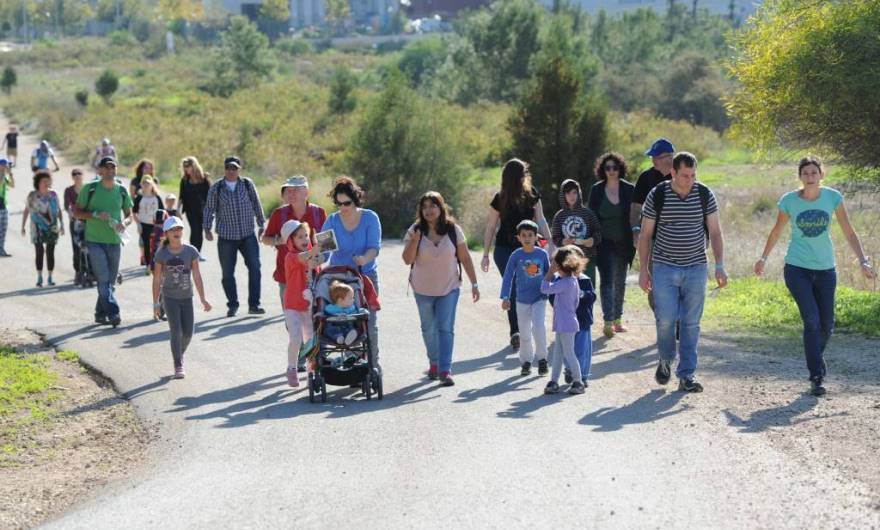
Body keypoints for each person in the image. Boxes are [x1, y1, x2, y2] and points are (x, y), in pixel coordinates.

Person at [754, 157, 876, 397]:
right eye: (806, 173)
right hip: (796, 268)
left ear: (821, 174)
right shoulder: (789, 201)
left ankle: (815, 359)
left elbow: (849, 231)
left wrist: (863, 260)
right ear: (800, 176)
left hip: (826, 269)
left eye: (814, 172)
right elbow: (777, 230)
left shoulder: (833, 198)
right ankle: (816, 376)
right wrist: (763, 258)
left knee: (827, 324)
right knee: (811, 320)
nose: (810, 176)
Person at [638, 152, 727, 393]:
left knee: (691, 323)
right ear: (673, 173)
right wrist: (644, 270)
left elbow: (716, 232)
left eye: (693, 175)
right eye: (684, 175)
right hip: (664, 267)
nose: (689, 180)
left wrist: (719, 264)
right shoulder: (657, 195)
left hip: (697, 267)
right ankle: (665, 360)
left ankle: (687, 374)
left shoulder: (704, 194)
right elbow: (645, 235)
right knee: (666, 320)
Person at [402, 191, 480, 387]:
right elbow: (407, 260)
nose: (429, 210)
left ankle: (445, 370)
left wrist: (474, 283)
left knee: (445, 329)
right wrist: (415, 240)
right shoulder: (414, 230)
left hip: (449, 287)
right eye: (425, 207)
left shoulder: (453, 230)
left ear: (441, 207)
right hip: (423, 289)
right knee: (428, 329)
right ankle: (434, 363)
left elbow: (465, 257)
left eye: (433, 206)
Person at [481, 158, 553, 352]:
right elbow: (491, 227)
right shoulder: (500, 198)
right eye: (521, 174)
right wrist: (486, 254)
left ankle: (526, 327)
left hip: (530, 249)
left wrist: (551, 242)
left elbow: (542, 220)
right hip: (505, 249)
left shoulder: (532, 195)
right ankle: (516, 332)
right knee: (513, 287)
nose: (524, 178)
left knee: (530, 286)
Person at [322, 176, 382, 367]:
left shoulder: (370, 218)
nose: (342, 208)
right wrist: (311, 258)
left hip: (365, 277)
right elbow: (323, 252)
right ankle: (351, 360)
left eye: (346, 203)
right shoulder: (332, 220)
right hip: (340, 279)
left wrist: (364, 259)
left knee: (367, 324)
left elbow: (374, 247)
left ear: (355, 199)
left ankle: (372, 364)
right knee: (341, 322)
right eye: (338, 203)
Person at [203, 156, 266, 317]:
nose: (231, 171)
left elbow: (256, 204)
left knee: (255, 267)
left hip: (247, 235)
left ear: (239, 169)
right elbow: (209, 208)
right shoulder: (217, 188)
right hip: (226, 237)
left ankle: (254, 304)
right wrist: (207, 228)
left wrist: (261, 224)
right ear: (224, 169)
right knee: (227, 273)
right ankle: (232, 305)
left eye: (235, 168)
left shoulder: (247, 184)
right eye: (229, 168)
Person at [74, 156, 133, 327]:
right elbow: (77, 212)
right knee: (103, 278)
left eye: (113, 167)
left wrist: (124, 223)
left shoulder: (121, 190)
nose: (110, 171)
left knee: (111, 282)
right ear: (100, 171)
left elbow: (130, 215)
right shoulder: (90, 189)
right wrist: (94, 215)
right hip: (94, 241)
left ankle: (100, 313)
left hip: (115, 241)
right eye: (106, 168)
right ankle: (114, 313)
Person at [152, 216, 212, 379]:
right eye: (172, 230)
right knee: (176, 330)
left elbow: (197, 276)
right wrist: (156, 303)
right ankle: (178, 364)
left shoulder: (190, 251)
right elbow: (157, 279)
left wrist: (203, 299)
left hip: (187, 297)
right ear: (166, 233)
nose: (176, 232)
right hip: (169, 298)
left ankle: (179, 353)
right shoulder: (161, 254)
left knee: (188, 333)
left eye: (178, 229)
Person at [589, 152, 637, 339]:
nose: (611, 171)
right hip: (604, 243)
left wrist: (637, 235)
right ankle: (608, 321)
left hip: (624, 242)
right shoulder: (597, 190)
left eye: (615, 168)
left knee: (620, 281)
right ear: (603, 170)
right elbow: (591, 216)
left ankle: (618, 319)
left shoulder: (629, 189)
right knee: (607, 281)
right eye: (608, 168)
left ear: (620, 169)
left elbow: (635, 214)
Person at [262, 175, 327, 309]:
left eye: (295, 190)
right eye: (288, 190)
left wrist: (319, 260)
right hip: (287, 277)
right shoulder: (279, 214)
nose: (291, 194)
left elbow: (327, 244)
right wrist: (281, 240)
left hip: (312, 277)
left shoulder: (319, 212)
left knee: (314, 321)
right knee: (291, 322)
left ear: (306, 192)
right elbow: (265, 239)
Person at [500, 220, 550, 377]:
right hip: (521, 300)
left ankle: (542, 359)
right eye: (524, 235)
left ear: (536, 237)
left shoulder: (542, 254)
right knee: (525, 334)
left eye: (530, 235)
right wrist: (505, 297)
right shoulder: (516, 255)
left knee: (539, 327)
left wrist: (555, 292)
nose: (527, 238)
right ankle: (526, 362)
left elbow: (549, 274)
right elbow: (508, 277)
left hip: (539, 298)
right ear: (518, 238)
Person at [541, 245, 587, 395]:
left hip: (566, 324)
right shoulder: (571, 281)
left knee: (568, 353)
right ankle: (554, 380)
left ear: (560, 266)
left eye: (555, 264)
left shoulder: (565, 283)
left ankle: (578, 381)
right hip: (564, 323)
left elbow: (544, 288)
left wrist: (549, 272)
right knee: (558, 354)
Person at [280, 219, 321, 387]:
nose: (304, 240)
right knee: (296, 338)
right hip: (292, 305)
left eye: (306, 236)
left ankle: (312, 369)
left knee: (310, 339)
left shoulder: (310, 254)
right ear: (290, 241)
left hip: (308, 306)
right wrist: (318, 249)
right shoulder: (291, 257)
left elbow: (316, 262)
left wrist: (321, 252)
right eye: (299, 237)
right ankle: (291, 368)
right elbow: (304, 258)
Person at [550, 178, 601, 284]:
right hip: (566, 260)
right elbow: (555, 237)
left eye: (574, 192)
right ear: (563, 196)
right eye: (568, 193)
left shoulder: (588, 213)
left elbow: (598, 232)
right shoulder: (559, 216)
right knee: (570, 290)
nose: (571, 196)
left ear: (579, 194)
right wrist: (563, 241)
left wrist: (592, 240)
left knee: (587, 290)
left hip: (587, 258)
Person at [630, 138, 675, 250]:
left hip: (679, 238)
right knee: (650, 268)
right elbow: (636, 207)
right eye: (652, 157)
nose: (653, 160)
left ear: (670, 157)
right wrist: (635, 230)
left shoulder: (683, 175)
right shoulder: (646, 177)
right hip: (652, 239)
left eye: (657, 157)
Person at [22, 170, 64, 287]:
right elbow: (26, 210)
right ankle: (39, 276)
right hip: (37, 229)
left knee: (50, 252)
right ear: (38, 183)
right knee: (39, 252)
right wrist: (23, 226)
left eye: (48, 180)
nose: (46, 183)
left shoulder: (53, 194)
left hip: (52, 227)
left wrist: (62, 225)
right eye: (43, 181)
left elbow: (59, 210)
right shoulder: (32, 195)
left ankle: (50, 277)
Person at [177, 156, 210, 254]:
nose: (186, 169)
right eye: (184, 166)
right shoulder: (184, 181)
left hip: (202, 209)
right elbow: (181, 196)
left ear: (194, 166)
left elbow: (210, 195)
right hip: (190, 210)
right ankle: (193, 253)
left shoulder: (204, 179)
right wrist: (178, 210)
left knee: (199, 231)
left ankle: (197, 253)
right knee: (194, 229)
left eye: (188, 166)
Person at [132, 176, 164, 274]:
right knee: (146, 245)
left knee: (156, 245)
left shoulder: (157, 197)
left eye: (148, 183)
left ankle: (157, 264)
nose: (146, 185)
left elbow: (163, 211)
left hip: (156, 225)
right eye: (144, 183)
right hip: (144, 225)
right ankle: (148, 266)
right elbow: (134, 212)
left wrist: (162, 224)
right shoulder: (139, 197)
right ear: (141, 185)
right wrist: (138, 224)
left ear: (152, 185)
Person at [63, 168, 85, 283]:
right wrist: (72, 213)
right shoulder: (69, 190)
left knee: (90, 246)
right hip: (75, 222)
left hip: (88, 222)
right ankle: (78, 272)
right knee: (76, 248)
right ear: (72, 177)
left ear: (83, 176)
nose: (77, 176)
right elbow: (67, 205)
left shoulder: (87, 189)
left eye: (79, 174)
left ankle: (90, 271)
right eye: (75, 174)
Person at [324, 281, 360, 346]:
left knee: (354, 329)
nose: (353, 300)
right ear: (340, 300)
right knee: (329, 329)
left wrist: (362, 311)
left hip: (347, 326)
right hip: (334, 326)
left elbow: (358, 313)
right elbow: (324, 315)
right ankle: (338, 337)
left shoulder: (352, 308)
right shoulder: (330, 308)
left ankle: (349, 338)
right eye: (351, 298)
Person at [0, 158, 14, 257]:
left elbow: (12, 185)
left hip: (3, 205)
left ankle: (1, 249)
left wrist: (11, 174)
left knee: (3, 230)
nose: (6, 167)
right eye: (4, 165)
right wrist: (4, 173)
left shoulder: (4, 176)